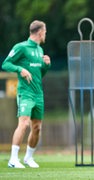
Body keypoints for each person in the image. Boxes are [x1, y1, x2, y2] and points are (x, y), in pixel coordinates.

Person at [2, 20, 50, 168]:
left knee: (37, 128)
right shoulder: (21, 47)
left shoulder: (40, 50)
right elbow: (5, 63)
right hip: (25, 93)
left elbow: (39, 75)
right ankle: (13, 159)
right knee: (23, 124)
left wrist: (46, 66)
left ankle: (28, 158)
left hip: (38, 94)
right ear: (40, 32)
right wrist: (20, 70)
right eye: (45, 32)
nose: (45, 34)